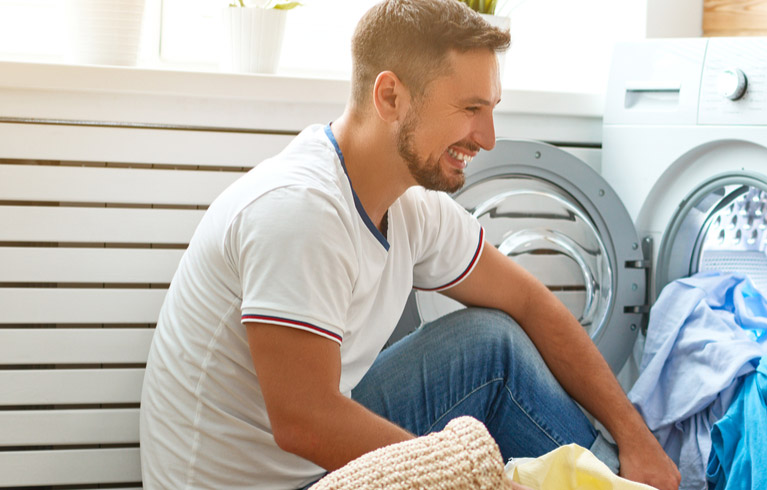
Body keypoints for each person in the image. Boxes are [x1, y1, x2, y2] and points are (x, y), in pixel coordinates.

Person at [138, 1, 680, 488]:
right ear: (391, 96)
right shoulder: (299, 210)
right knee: (483, 366)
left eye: (491, 108)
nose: (488, 137)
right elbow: (304, 422)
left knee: (489, 342)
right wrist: (471, 480)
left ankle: (623, 479)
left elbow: (530, 302)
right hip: (268, 482)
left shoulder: (409, 204)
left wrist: (638, 439)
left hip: (306, 461)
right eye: (470, 109)